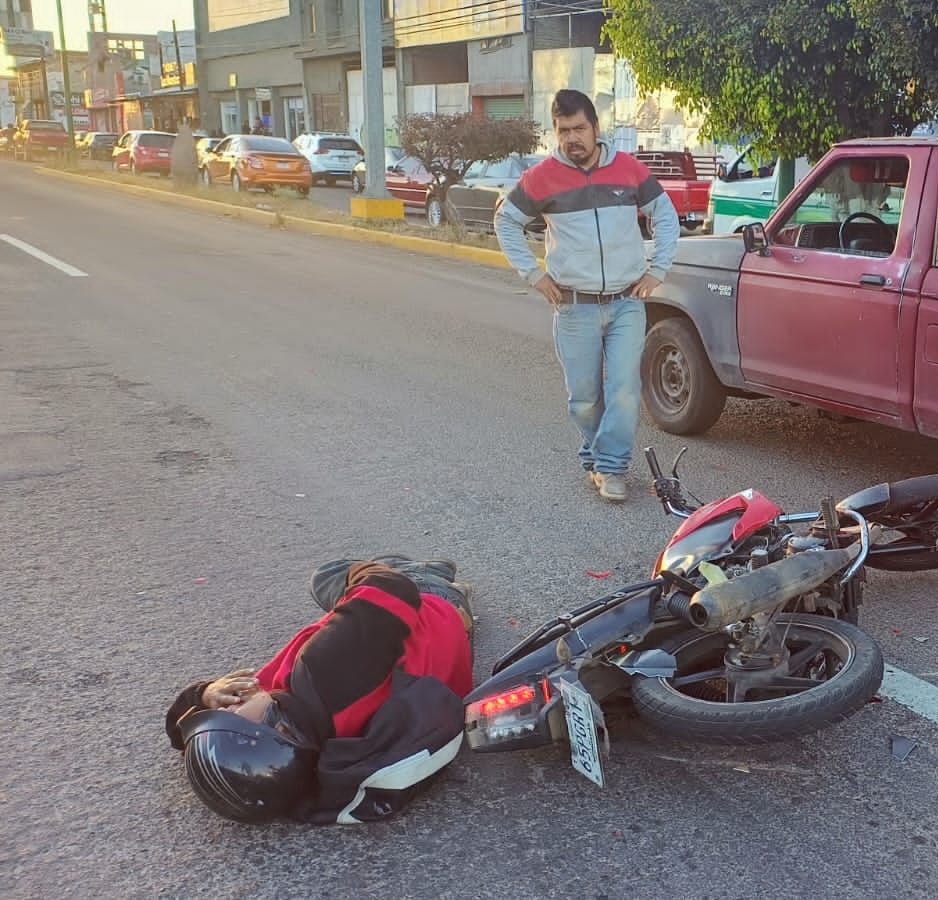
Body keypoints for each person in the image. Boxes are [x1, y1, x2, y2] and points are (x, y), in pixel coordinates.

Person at [165, 556, 474, 824]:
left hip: (443, 668)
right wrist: (364, 578)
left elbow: (180, 730)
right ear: (278, 728)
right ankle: (430, 574)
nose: (224, 708)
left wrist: (203, 694)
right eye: (233, 718)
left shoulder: (309, 756)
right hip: (433, 609)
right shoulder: (324, 668)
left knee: (358, 595)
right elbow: (394, 588)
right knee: (330, 573)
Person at [493, 89, 680, 503]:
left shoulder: (629, 170)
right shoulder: (541, 178)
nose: (572, 138)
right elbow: (506, 222)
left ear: (596, 127)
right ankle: (596, 458)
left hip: (626, 302)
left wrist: (658, 270)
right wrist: (534, 275)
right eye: (563, 131)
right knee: (584, 399)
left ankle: (610, 468)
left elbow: (665, 216)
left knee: (625, 389)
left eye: (579, 128)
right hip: (574, 306)